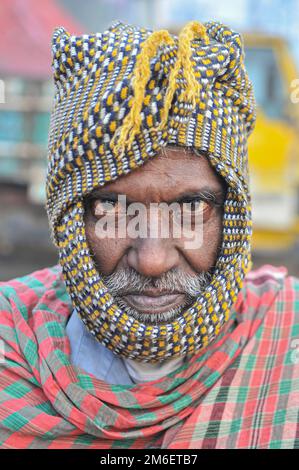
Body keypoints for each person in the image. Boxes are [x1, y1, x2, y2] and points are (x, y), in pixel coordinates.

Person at [0, 20, 298, 450]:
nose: (153, 260)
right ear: (69, 218)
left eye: (191, 208)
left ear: (230, 215)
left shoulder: (287, 339)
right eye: (114, 209)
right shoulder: (10, 348)